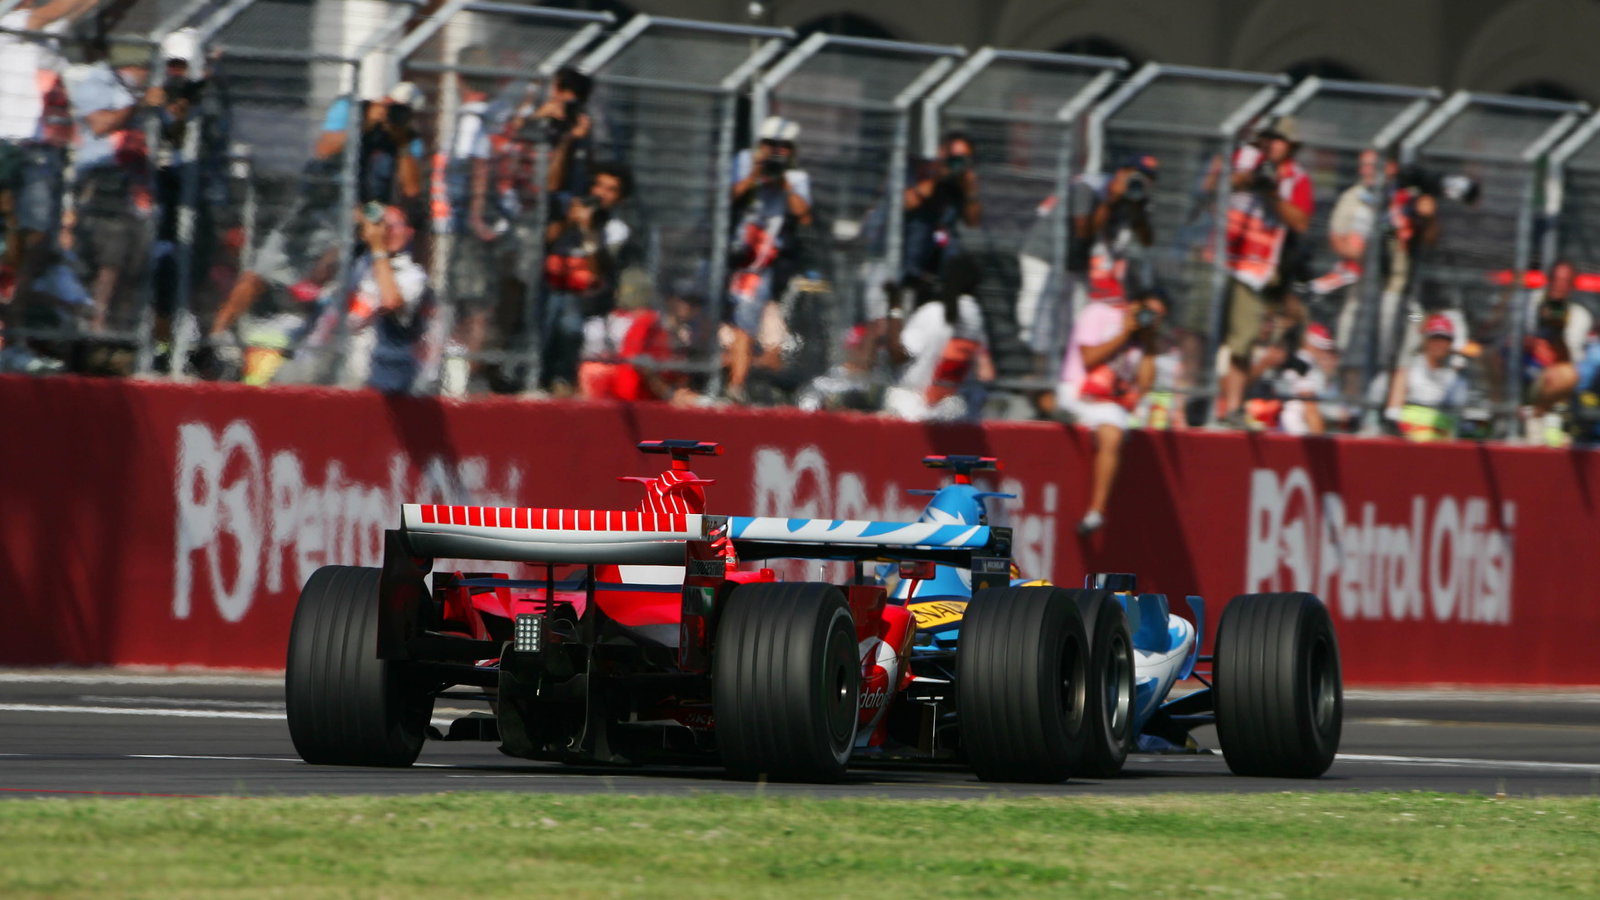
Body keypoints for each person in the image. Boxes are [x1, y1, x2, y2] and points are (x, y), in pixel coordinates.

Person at [208, 82, 425, 349]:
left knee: (337, 290)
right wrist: (365, 125)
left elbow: (411, 188)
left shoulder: (405, 136)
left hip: (365, 220)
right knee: (262, 271)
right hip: (320, 210)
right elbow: (324, 149)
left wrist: (401, 141)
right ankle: (218, 335)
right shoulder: (353, 109)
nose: (396, 114)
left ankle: (314, 344)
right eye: (394, 107)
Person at [1218, 116, 1313, 426]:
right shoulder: (1241, 157)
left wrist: (1272, 193)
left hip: (1256, 268)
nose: (1271, 145)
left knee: (1243, 339)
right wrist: (1244, 179)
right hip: (1218, 256)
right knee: (1200, 331)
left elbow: (1300, 221)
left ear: (1291, 147)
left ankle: (1231, 408)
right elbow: (1209, 186)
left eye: (1279, 140)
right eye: (1267, 138)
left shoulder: (1296, 178)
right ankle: (1188, 400)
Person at [67, 38, 157, 356]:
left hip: (137, 187)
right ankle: (92, 327)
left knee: (132, 263)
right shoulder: (97, 84)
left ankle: (119, 333)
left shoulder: (143, 92)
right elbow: (102, 124)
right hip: (102, 182)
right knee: (108, 259)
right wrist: (140, 104)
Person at [1056, 286, 1167, 535]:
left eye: (1159, 316)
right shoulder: (1099, 313)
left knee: (1113, 434)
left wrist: (1148, 342)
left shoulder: (1145, 344)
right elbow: (1088, 358)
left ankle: (1096, 511)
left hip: (1108, 407)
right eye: (1148, 311)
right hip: (1076, 392)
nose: (1151, 318)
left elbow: (1146, 385)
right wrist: (1125, 332)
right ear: (1134, 304)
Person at [723, 116, 812, 402]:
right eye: (769, 144)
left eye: (782, 146)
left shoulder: (797, 178)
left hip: (761, 263)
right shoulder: (745, 162)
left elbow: (804, 216)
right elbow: (727, 199)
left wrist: (783, 183)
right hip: (730, 254)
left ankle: (736, 386)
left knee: (745, 321)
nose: (775, 151)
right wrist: (755, 175)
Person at [540, 163, 633, 394]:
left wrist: (589, 230)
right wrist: (569, 221)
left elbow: (598, 271)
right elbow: (547, 241)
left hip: (587, 298)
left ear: (620, 198)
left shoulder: (615, 229)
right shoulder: (570, 210)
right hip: (551, 286)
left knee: (569, 318)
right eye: (598, 186)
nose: (601, 193)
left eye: (610, 190)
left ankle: (561, 378)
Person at [882, 254, 994, 422]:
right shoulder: (975, 316)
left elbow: (897, 354)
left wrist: (894, 306)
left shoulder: (933, 313)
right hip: (952, 410)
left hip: (912, 408)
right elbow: (985, 371)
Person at [337, 203, 434, 393]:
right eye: (382, 224)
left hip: (384, 379)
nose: (387, 231)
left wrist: (378, 249)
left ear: (409, 233)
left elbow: (391, 302)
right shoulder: (359, 264)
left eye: (394, 225)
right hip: (343, 367)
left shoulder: (413, 275)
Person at [902, 131, 981, 300]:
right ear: (942, 153)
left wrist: (970, 190)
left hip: (941, 257)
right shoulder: (924, 169)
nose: (957, 163)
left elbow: (973, 221)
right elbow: (908, 202)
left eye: (964, 158)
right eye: (955, 157)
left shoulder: (960, 184)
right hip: (910, 254)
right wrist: (937, 176)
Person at [1521, 260, 1586, 445]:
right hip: (1523, 370)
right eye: (1556, 279)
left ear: (1572, 285)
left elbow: (1571, 364)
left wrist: (1559, 336)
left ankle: (1536, 417)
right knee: (1493, 355)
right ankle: (1504, 418)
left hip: (1551, 378)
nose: (1559, 285)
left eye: (1565, 281)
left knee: (1564, 374)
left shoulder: (1579, 316)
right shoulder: (1531, 302)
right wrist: (1531, 343)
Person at [1384, 314, 1467, 442]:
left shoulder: (1455, 380)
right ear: (1426, 340)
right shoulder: (1408, 371)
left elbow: (1456, 420)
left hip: (1441, 445)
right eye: (1434, 338)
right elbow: (1392, 412)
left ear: (1450, 344)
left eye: (1444, 339)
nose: (1439, 344)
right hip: (1407, 442)